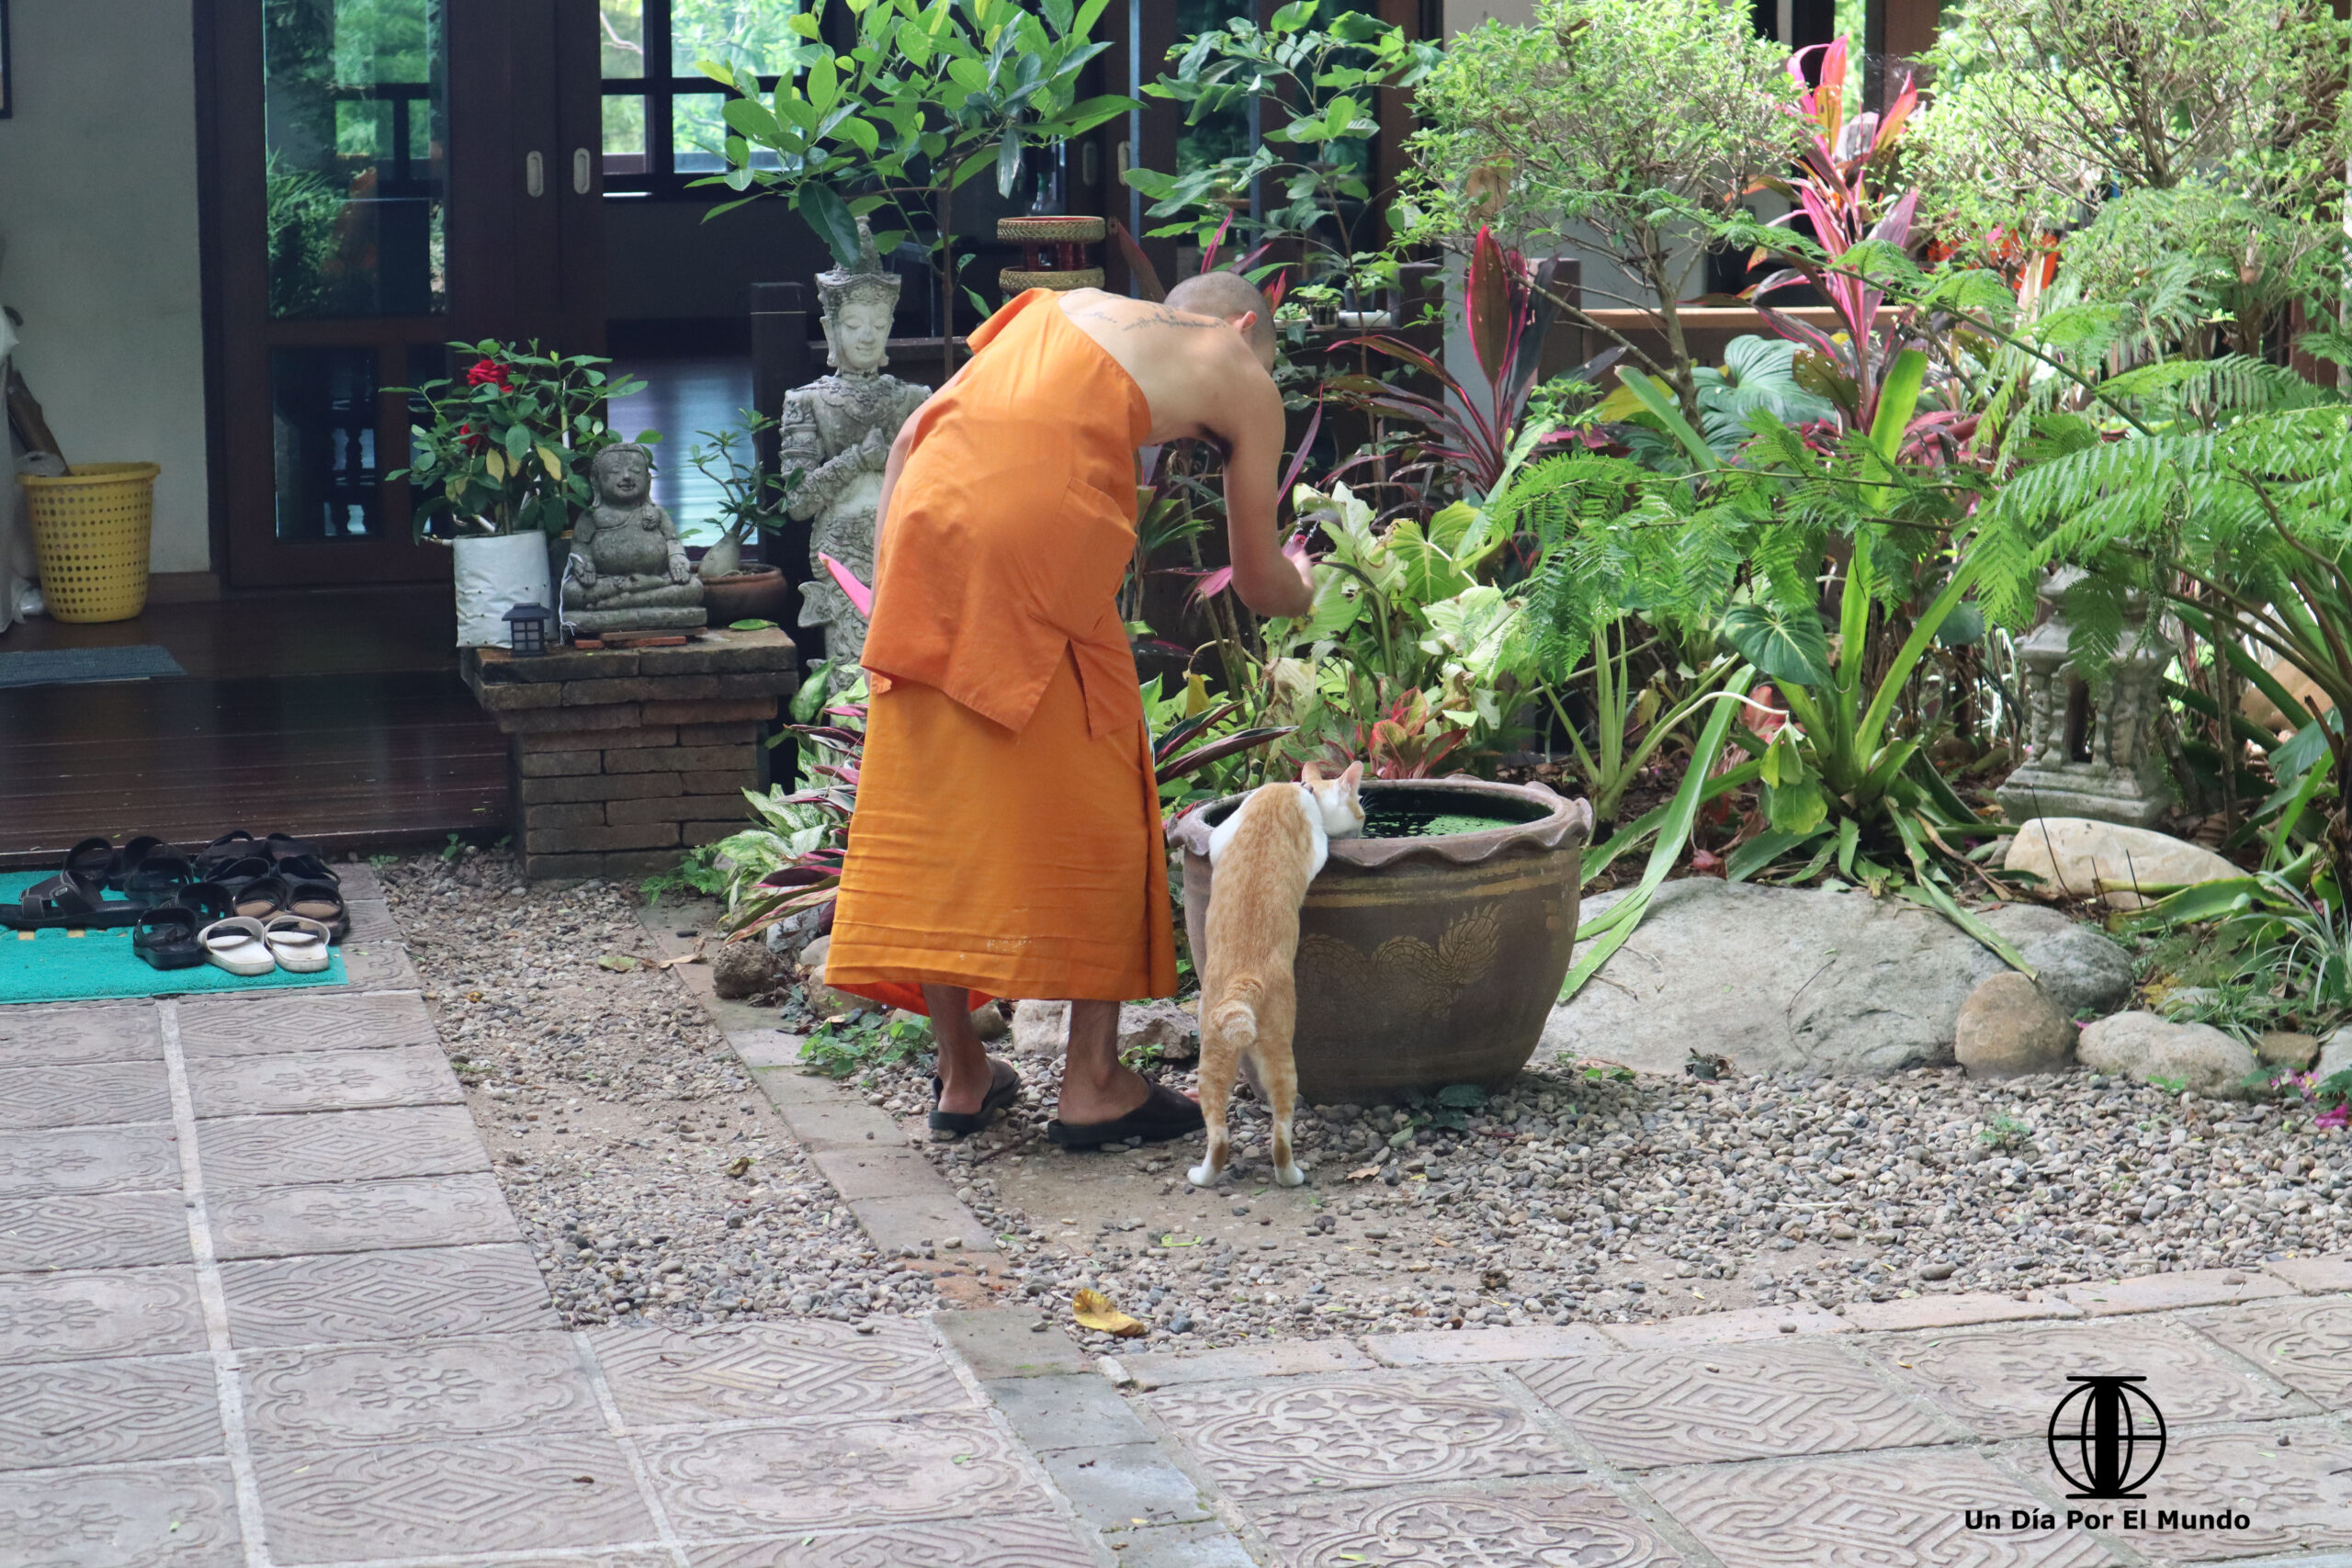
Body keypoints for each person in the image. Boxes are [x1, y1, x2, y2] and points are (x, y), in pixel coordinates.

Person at [823, 272, 1315, 1147]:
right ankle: (1090, 1081)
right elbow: (1258, 578)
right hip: (1036, 522)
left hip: (926, 515)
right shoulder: (1241, 366)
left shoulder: (1064, 306)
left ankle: (964, 1075)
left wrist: (903, 588)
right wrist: (1307, 585)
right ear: (1242, 326)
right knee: (1106, 780)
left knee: (934, 798)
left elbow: (909, 435)